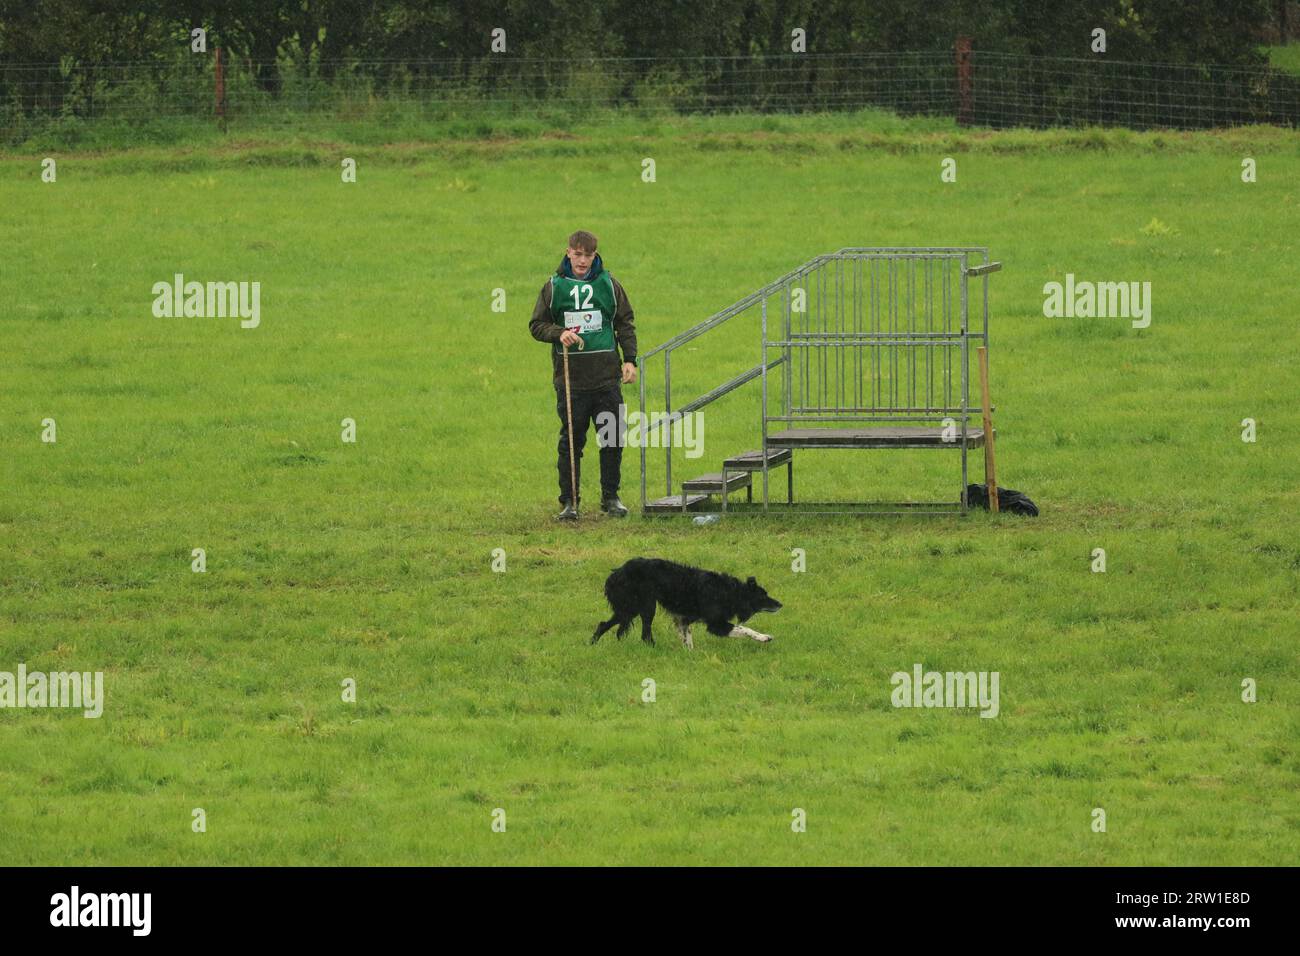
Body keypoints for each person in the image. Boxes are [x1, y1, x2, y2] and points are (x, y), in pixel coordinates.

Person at [529, 230, 638, 521]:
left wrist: (630, 360)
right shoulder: (554, 287)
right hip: (571, 380)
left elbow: (624, 322)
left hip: (606, 378)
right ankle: (569, 502)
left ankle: (611, 497)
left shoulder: (609, 285)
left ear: (595, 255)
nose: (582, 260)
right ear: (568, 253)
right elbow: (537, 325)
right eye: (577, 254)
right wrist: (559, 333)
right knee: (572, 441)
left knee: (613, 437)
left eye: (588, 255)